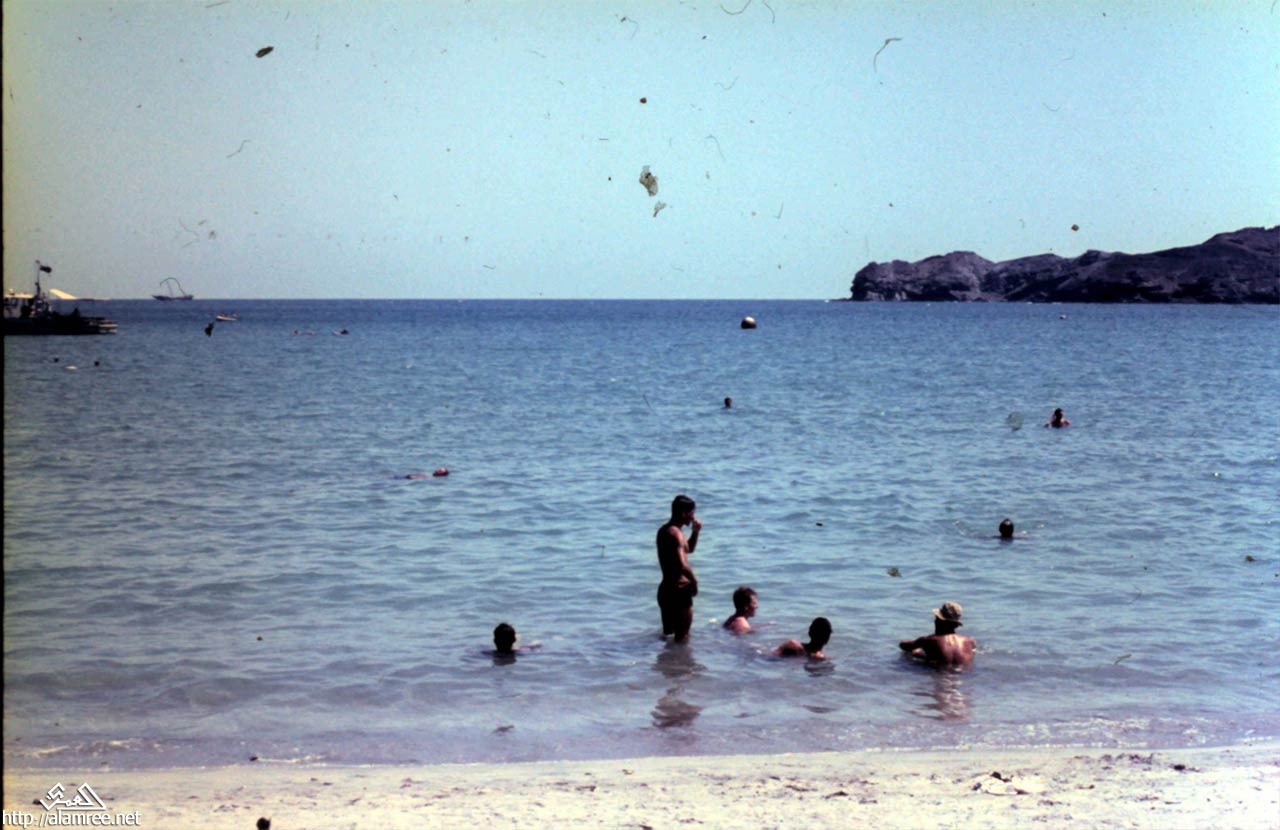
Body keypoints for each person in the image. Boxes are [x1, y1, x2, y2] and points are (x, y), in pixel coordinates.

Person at [656, 494, 701, 642]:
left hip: (666, 590)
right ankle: (679, 658)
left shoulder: (665, 530)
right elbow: (682, 564)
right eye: (692, 513)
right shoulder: (676, 534)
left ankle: (666, 657)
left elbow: (689, 549)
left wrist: (695, 531)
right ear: (683, 513)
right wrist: (694, 582)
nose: (693, 517)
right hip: (679, 590)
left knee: (668, 635)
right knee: (682, 637)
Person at [899, 602, 975, 667]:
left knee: (914, 654)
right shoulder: (970, 641)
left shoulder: (928, 640)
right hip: (964, 675)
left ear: (939, 620)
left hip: (940, 675)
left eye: (936, 618)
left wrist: (919, 651)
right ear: (956, 624)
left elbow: (903, 645)